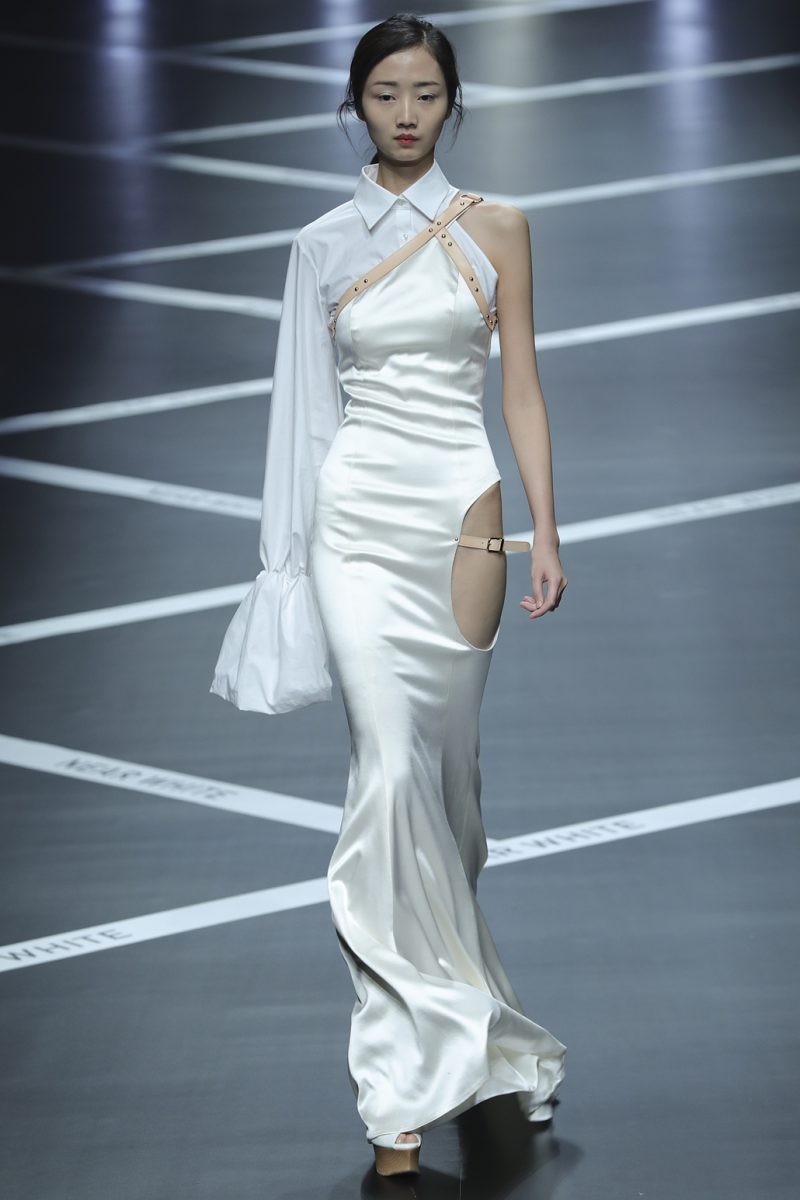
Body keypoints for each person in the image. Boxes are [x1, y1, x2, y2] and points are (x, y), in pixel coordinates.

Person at [209, 12, 568, 1179]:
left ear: (451, 105)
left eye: (423, 93)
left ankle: (479, 1026)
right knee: (387, 772)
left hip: (463, 518)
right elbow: (301, 413)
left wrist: (545, 527)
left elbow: (520, 388)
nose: (405, 113)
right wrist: (286, 567)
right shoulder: (319, 245)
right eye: (384, 94)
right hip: (355, 526)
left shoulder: (497, 228)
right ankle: (399, 1079)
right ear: (354, 105)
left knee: (449, 799)